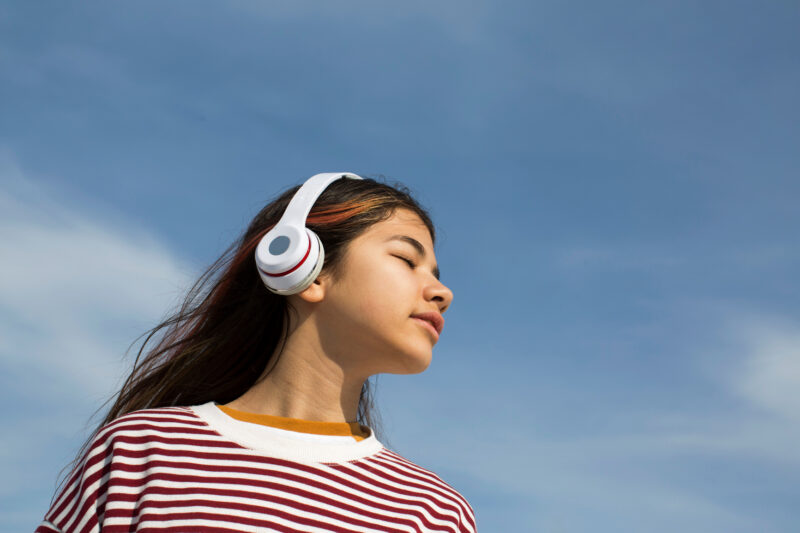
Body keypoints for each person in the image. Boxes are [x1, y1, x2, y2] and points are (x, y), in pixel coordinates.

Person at [36, 173, 477, 532]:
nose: (442, 292)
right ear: (302, 267)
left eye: (435, 273)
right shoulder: (139, 451)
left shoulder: (434, 512)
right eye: (406, 259)